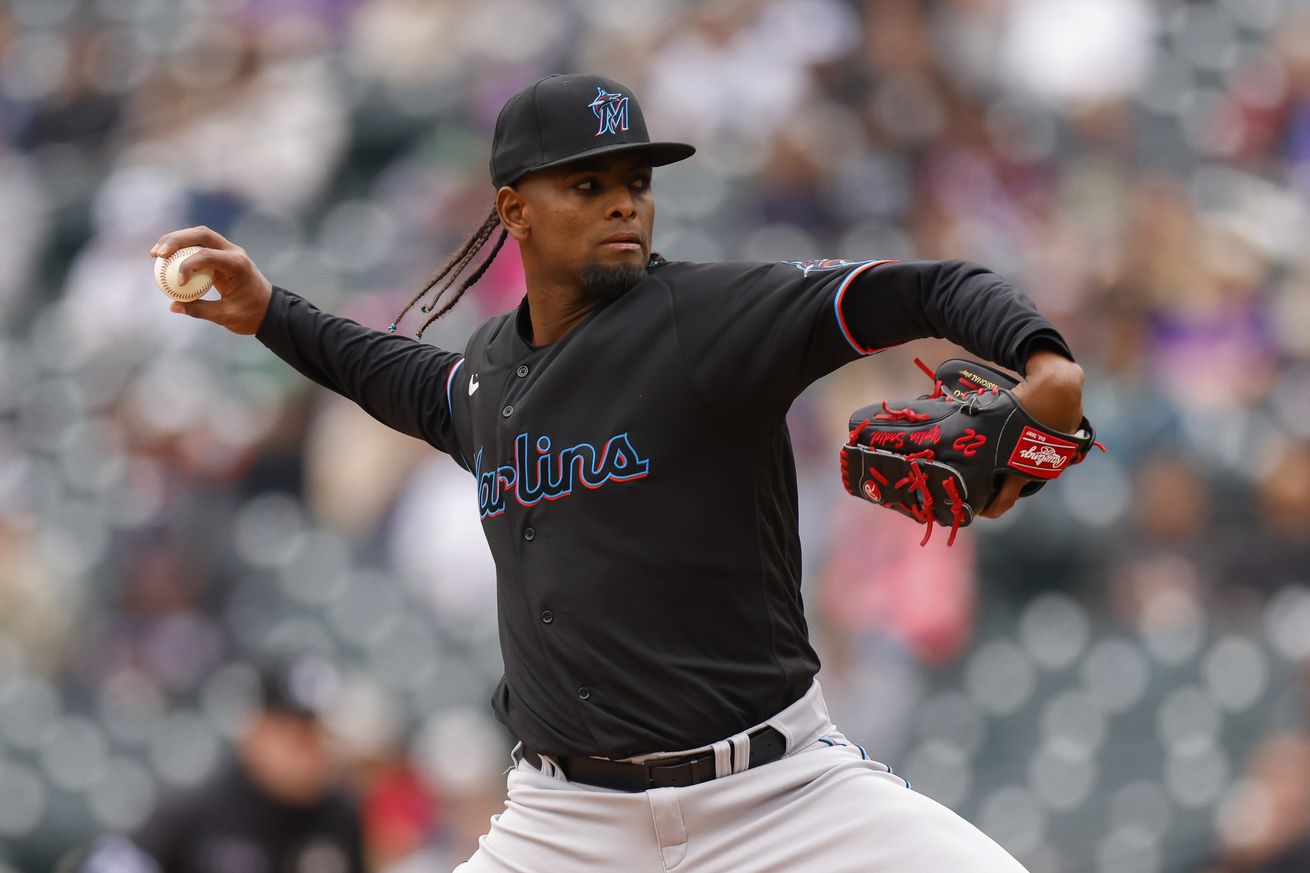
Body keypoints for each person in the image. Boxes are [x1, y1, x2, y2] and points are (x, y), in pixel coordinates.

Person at [150, 73, 1085, 872]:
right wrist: (269, 310)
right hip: (567, 825)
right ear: (512, 207)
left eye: (635, 182)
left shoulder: (711, 319)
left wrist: (1044, 360)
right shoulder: (487, 376)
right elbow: (392, 374)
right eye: (588, 183)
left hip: (777, 797)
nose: (623, 202)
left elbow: (918, 287)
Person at [81, 658, 365, 873]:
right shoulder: (198, 810)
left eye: (321, 734)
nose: (312, 750)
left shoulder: (341, 819)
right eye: (298, 735)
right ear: (258, 730)